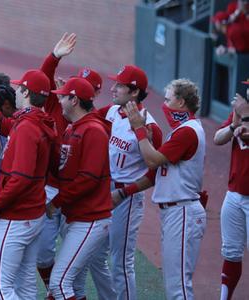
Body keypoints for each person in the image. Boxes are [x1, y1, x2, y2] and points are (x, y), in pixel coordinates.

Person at [0, 62, 59, 298]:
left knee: (0, 285)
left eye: (20, 89)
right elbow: (1, 121)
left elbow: (20, 180)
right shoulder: (38, 121)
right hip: (34, 214)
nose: (16, 92)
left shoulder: (28, 128)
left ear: (27, 93)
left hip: (17, 217)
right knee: (26, 283)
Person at [119, 78, 206, 300]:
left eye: (168, 99)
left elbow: (152, 161)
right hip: (176, 212)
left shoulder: (187, 132)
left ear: (181, 102)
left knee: (179, 287)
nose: (164, 105)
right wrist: (123, 193)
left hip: (183, 211)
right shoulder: (180, 131)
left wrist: (138, 129)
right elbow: (155, 174)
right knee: (173, 284)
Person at [98, 65, 162, 300]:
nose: (113, 88)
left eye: (120, 85)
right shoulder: (113, 111)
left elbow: (154, 173)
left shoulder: (150, 127)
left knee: (121, 262)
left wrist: (124, 193)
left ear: (134, 92)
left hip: (128, 198)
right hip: (105, 190)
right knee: (95, 256)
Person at [46, 77, 113, 300]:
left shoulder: (93, 130)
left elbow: (89, 178)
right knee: (72, 283)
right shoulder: (74, 128)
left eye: (63, 97)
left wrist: (57, 201)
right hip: (77, 217)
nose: (59, 101)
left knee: (59, 283)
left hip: (90, 219)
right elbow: (63, 168)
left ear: (74, 100)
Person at [213, 80, 249, 300]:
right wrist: (234, 124)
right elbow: (218, 138)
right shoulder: (237, 114)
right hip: (234, 193)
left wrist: (243, 118)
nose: (244, 93)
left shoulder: (243, 113)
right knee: (231, 252)